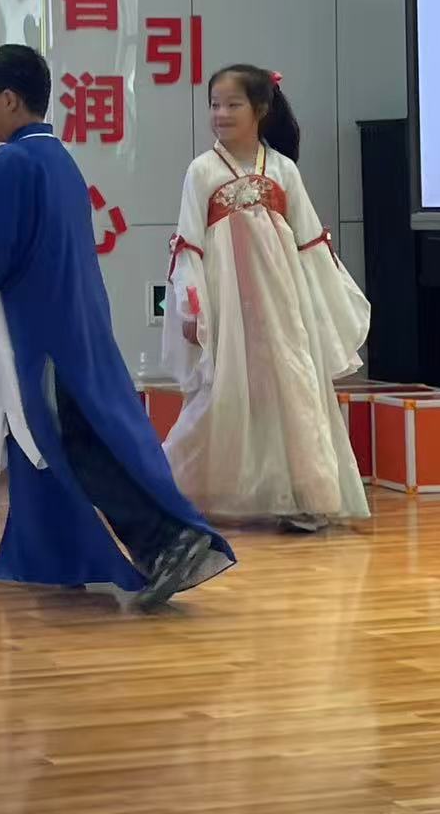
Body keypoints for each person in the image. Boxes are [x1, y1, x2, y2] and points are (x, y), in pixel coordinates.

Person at [0, 45, 233, 608]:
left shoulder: (8, 166)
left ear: (9, 100)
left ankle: (167, 539)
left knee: (77, 444)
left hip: (44, 334)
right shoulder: (59, 160)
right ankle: (73, 555)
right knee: (83, 435)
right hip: (78, 323)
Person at [163, 65, 370, 531]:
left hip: (282, 303)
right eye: (215, 104)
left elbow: (310, 242)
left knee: (294, 388)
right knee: (220, 391)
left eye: (232, 104)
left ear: (260, 109)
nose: (221, 113)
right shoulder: (202, 170)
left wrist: (324, 304)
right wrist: (191, 305)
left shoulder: (282, 169)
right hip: (227, 302)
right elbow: (188, 245)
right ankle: (180, 491)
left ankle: (304, 497)